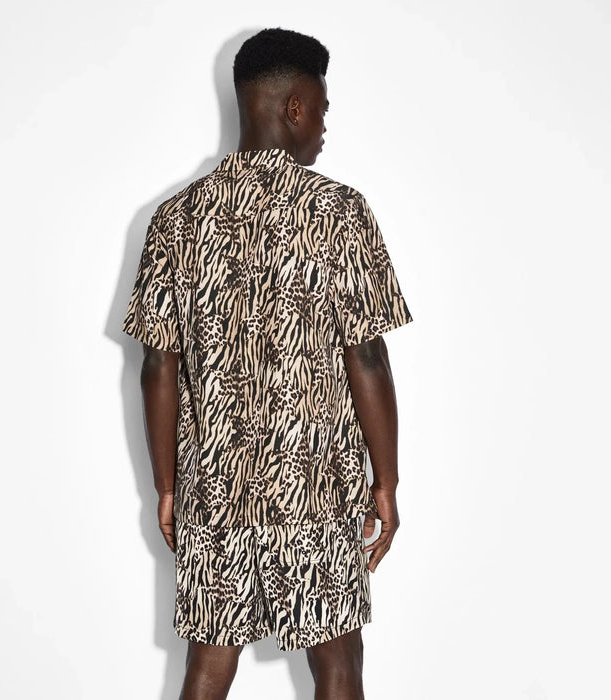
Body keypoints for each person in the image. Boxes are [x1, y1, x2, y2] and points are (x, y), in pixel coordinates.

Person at [122, 27, 414, 700]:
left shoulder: (175, 220)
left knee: (208, 663)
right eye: (323, 109)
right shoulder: (338, 213)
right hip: (315, 486)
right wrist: (387, 480)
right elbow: (367, 357)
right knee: (338, 661)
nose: (325, 128)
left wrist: (168, 486)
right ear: (295, 108)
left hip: (214, 488)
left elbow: (156, 365)